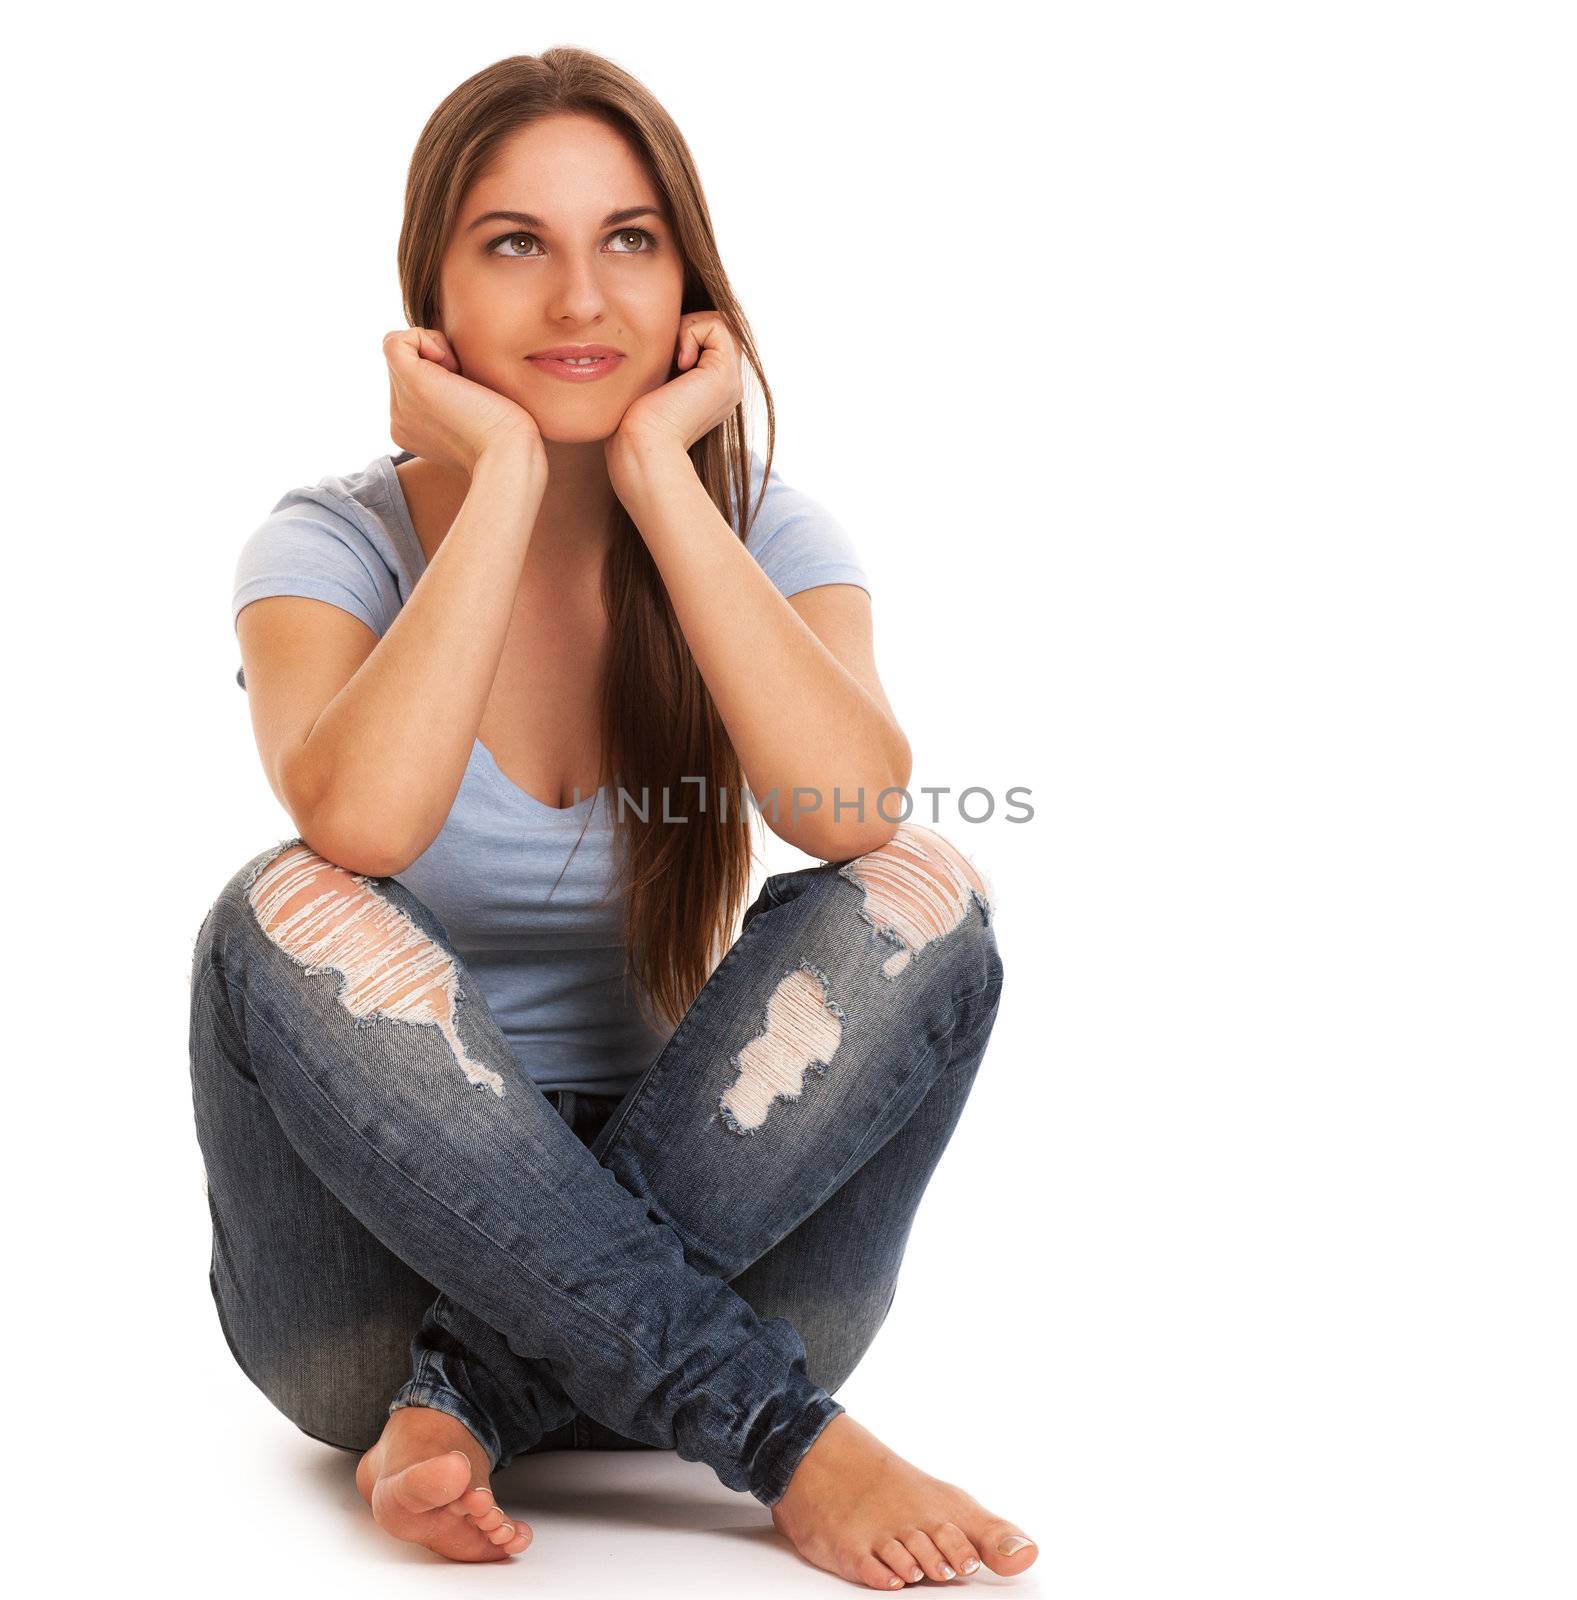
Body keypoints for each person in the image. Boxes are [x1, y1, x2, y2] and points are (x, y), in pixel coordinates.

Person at [189, 48, 1037, 1589]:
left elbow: (847, 814)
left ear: (688, 280)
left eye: (628, 240)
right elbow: (360, 828)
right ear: (431, 293)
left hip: (733, 1233)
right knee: (274, 907)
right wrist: (504, 469)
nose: (579, 299)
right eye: (517, 244)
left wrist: (661, 479)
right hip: (363, 1302)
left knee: (926, 888)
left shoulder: (767, 528)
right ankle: (780, 1440)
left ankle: (472, 1405)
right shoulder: (323, 545)